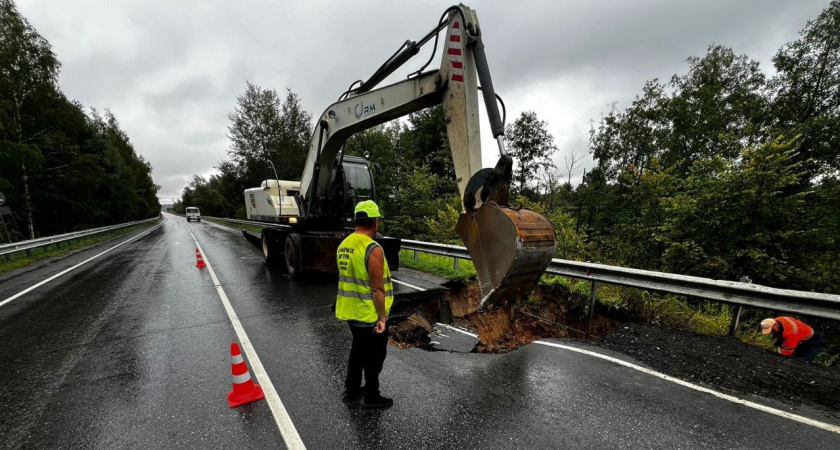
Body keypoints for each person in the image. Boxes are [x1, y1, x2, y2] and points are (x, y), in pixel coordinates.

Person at [335, 200, 394, 408]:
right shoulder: (372, 248)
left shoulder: (345, 244)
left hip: (350, 311)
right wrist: (382, 317)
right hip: (368, 314)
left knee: (357, 350)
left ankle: (351, 390)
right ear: (375, 222)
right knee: (374, 356)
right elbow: (377, 289)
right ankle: (371, 396)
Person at [760, 316, 824, 362]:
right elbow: (780, 332)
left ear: (775, 325)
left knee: (802, 362)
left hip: (813, 342)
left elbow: (787, 351)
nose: (771, 332)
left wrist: (779, 360)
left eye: (771, 330)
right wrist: (779, 341)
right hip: (801, 339)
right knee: (794, 358)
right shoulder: (778, 319)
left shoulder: (791, 332)